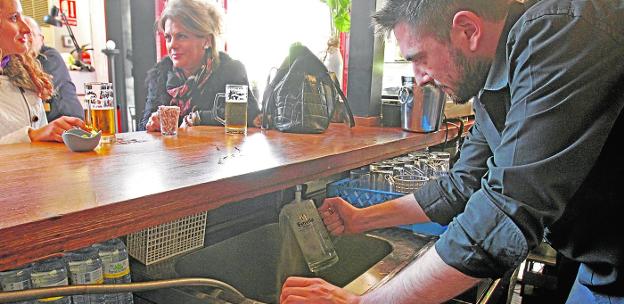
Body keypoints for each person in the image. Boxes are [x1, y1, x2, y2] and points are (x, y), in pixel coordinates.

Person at [280, 0, 624, 303]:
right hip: (601, 265)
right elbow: (462, 185)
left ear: (467, 29)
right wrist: (361, 217)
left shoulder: (560, 31)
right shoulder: (495, 86)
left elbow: (504, 211)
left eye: (419, 58)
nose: (419, 78)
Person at [140, 0, 260, 132]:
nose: (172, 45)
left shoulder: (231, 70)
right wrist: (153, 122)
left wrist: (199, 118)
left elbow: (251, 115)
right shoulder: (160, 74)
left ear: (207, 41)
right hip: (172, 152)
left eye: (181, 36)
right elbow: (144, 125)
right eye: (168, 37)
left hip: (220, 151)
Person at [0, 0, 85, 145]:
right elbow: (35, 135)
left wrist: (49, 133)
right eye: (14, 18)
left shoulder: (28, 73)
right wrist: (32, 135)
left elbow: (40, 136)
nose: (26, 29)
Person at [23, 16, 84, 122]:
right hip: (47, 125)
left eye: (30, 34)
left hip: (68, 120)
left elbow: (35, 85)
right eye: (23, 34)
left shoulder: (50, 56)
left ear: (41, 39)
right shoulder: (20, 61)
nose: (26, 39)